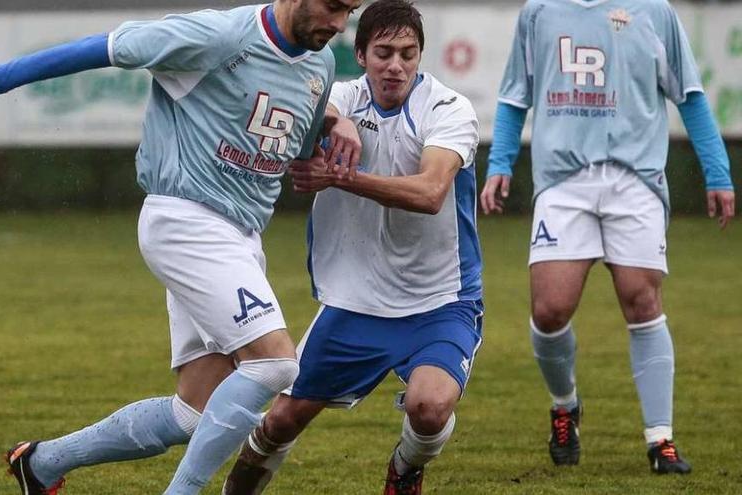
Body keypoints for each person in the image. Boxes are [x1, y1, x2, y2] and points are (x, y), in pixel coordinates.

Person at [0, 0, 363, 493]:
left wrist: (339, 126)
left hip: (240, 237)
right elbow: (105, 47)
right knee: (275, 364)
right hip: (186, 219)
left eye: (349, 11)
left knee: (194, 413)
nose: (338, 24)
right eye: (333, 7)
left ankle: (43, 463)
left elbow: (304, 142)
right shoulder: (217, 35)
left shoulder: (321, 62)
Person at [220, 1, 482, 493]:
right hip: (354, 303)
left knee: (430, 407)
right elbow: (305, 102)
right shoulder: (335, 95)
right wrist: (330, 123)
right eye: (383, 53)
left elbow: (429, 194)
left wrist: (340, 178)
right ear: (359, 54)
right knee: (278, 423)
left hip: (440, 301)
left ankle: (405, 467)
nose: (396, 66)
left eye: (408, 54)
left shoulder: (449, 109)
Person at [481, 0, 735, 475]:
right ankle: (565, 405)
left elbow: (692, 97)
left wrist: (717, 172)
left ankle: (661, 439)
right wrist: (499, 163)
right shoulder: (538, 12)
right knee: (549, 309)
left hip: (635, 181)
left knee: (642, 301)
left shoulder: (655, 12)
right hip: (563, 181)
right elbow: (515, 96)